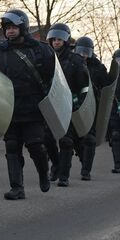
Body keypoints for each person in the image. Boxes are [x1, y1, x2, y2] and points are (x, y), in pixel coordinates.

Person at [0, 9, 53, 199]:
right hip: (9, 108)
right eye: (7, 28)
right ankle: (17, 187)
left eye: (14, 27)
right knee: (12, 147)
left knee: (35, 145)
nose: (10, 31)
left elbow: (53, 78)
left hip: (34, 108)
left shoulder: (40, 50)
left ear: (22, 27)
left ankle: (43, 172)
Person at [44, 23, 88, 186]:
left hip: (68, 104)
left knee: (66, 141)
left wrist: (78, 104)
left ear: (66, 40)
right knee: (46, 138)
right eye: (54, 39)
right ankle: (56, 165)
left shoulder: (76, 60)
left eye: (60, 39)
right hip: (50, 103)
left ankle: (64, 175)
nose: (56, 42)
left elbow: (83, 86)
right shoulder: (46, 58)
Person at [72, 36, 110, 180]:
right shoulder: (72, 63)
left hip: (93, 105)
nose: (83, 54)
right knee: (75, 138)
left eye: (86, 51)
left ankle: (86, 170)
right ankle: (83, 159)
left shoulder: (98, 67)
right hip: (75, 104)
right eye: (80, 51)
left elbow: (106, 86)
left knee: (89, 139)